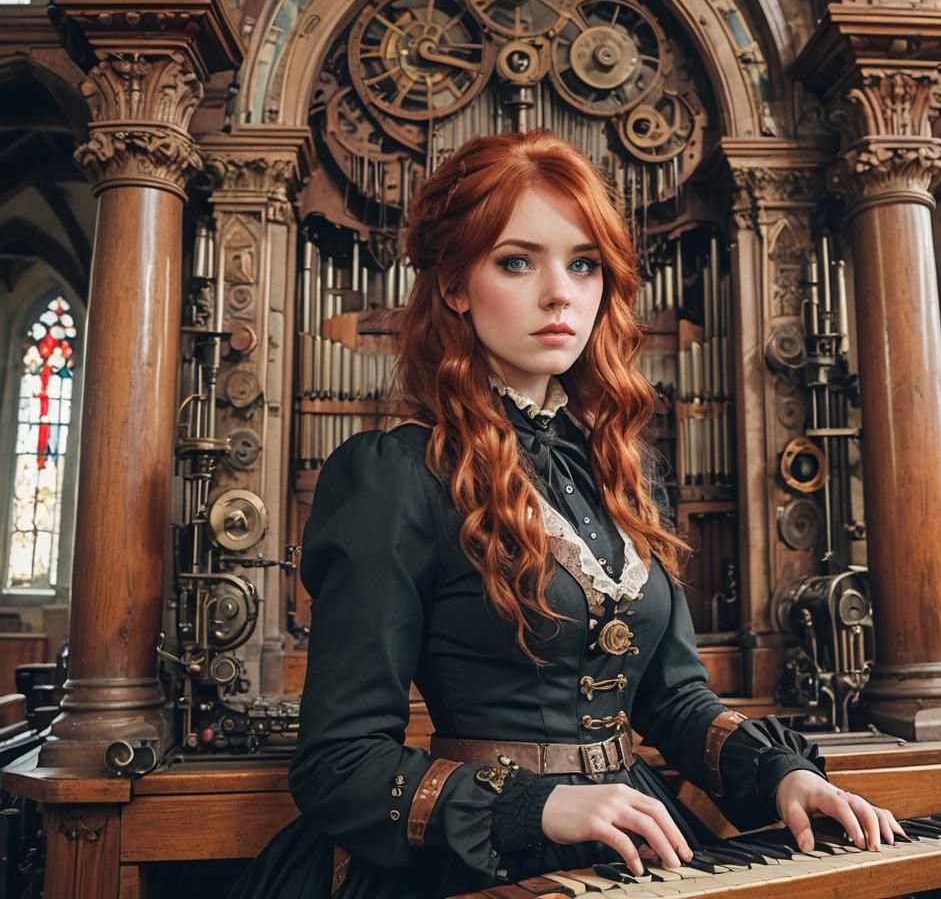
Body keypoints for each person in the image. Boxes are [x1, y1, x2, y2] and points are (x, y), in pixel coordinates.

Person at [230, 130, 902, 899]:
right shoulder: (393, 476)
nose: (561, 294)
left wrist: (782, 775)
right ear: (454, 284)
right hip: (477, 853)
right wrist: (537, 806)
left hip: (634, 836)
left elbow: (671, 697)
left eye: (584, 264)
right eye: (517, 262)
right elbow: (340, 762)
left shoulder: (622, 465)